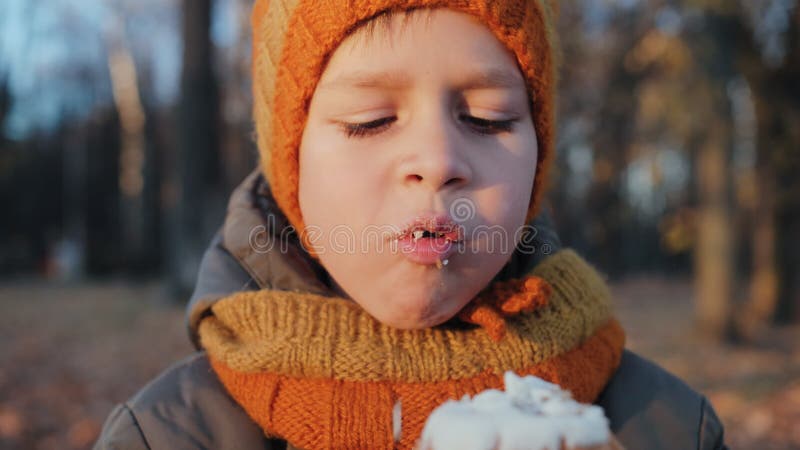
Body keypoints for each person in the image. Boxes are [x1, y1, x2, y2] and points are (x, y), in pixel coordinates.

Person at [95, 2, 728, 449]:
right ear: (290, 163)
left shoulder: (666, 425)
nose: (437, 162)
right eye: (371, 119)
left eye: (487, 118)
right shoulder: (166, 436)